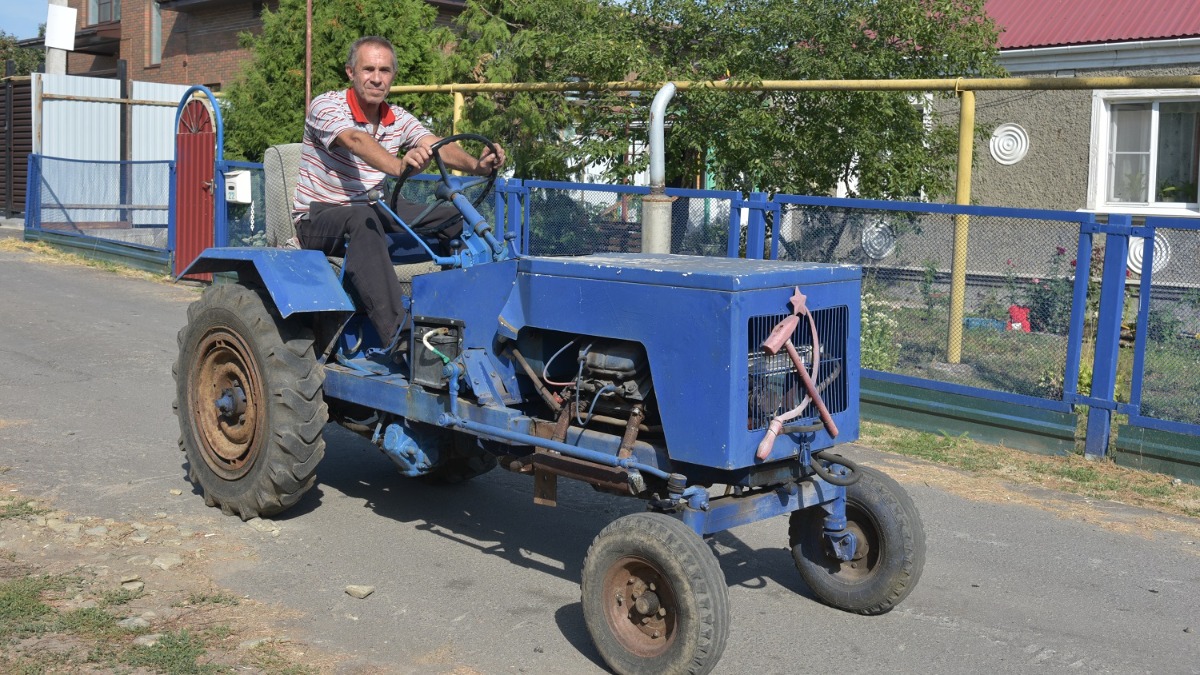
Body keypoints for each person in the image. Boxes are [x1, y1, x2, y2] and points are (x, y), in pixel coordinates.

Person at [292, 35, 506, 356]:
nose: (376, 78)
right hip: (319, 217)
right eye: (368, 69)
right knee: (362, 218)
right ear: (351, 72)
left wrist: (478, 165)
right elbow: (355, 140)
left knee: (450, 215)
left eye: (385, 70)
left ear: (393, 75)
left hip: (372, 208)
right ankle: (401, 337)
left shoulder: (398, 118)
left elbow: (436, 144)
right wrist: (397, 165)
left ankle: (458, 309)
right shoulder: (327, 106)